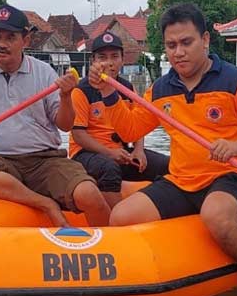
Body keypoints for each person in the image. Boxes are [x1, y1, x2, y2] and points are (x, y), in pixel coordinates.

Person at [88, 3, 237, 296]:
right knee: (121, 217)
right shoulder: (160, 89)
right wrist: (107, 93)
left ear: (205, 40)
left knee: (216, 215)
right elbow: (130, 131)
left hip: (232, 175)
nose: (178, 52)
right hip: (182, 179)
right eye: (171, 46)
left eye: (186, 43)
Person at [0, 4, 111, 227]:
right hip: (2, 163)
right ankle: (45, 204)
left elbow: (65, 125)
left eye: (10, 37)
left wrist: (65, 96)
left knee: (90, 195)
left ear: (25, 41)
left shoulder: (44, 73)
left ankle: (106, 249)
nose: (1, 44)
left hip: (46, 161)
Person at [71, 32, 169, 208]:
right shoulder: (81, 90)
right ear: (93, 60)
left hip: (122, 151)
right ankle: (115, 221)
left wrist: (139, 150)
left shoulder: (127, 88)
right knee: (109, 168)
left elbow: (137, 122)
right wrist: (109, 153)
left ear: (123, 60)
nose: (109, 62)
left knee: (167, 165)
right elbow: (78, 135)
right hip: (86, 154)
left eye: (114, 57)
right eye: (102, 57)